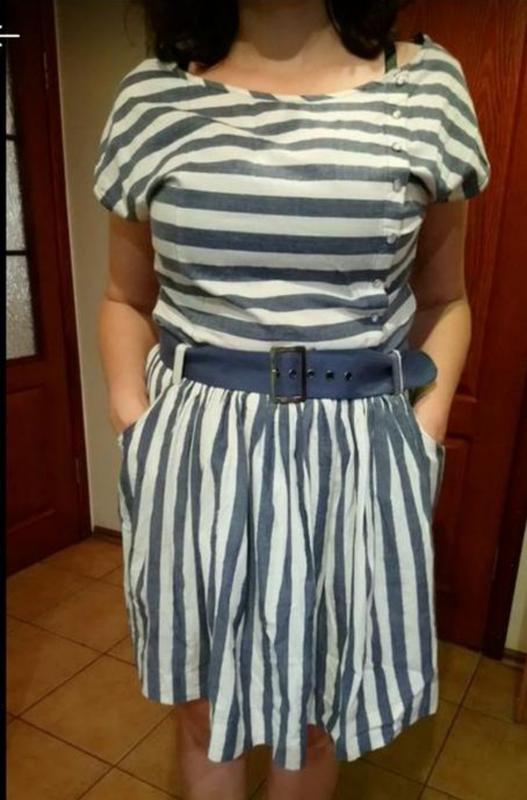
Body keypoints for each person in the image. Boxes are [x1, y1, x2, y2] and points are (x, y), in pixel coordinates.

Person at [93, 1, 491, 798]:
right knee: (203, 707)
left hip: (354, 459)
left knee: (314, 715)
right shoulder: (152, 96)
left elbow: (445, 300)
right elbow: (123, 300)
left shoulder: (426, 90)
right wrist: (136, 421)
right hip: (196, 456)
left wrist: (424, 428)